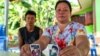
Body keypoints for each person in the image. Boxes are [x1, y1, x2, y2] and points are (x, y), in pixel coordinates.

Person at [21, 1, 90, 56]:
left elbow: (83, 42)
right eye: (58, 10)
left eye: (65, 10)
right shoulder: (49, 30)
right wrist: (31, 49)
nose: (61, 12)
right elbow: (42, 42)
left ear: (70, 13)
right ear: (55, 13)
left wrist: (80, 52)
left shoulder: (79, 27)